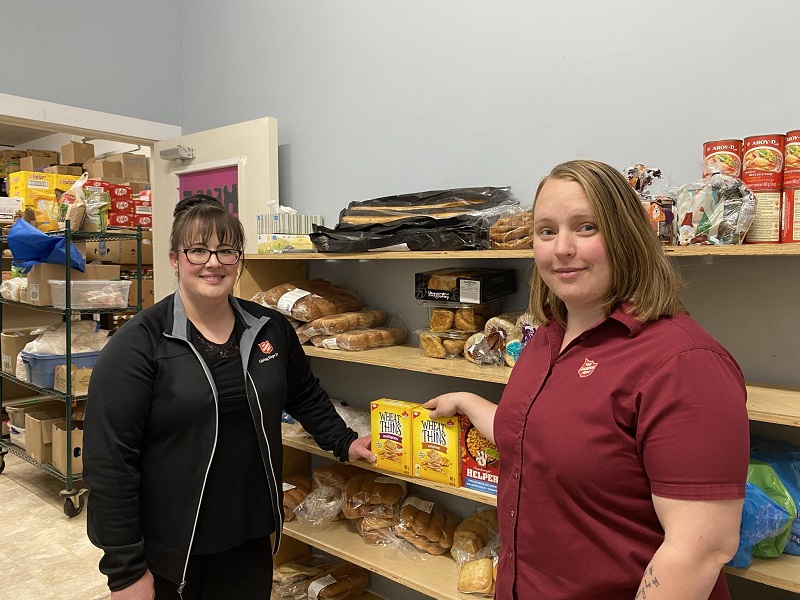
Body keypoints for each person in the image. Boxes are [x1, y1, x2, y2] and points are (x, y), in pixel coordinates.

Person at [425, 160, 749, 599]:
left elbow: (702, 549)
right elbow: (535, 435)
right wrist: (465, 399)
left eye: (586, 227)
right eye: (546, 231)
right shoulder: (545, 338)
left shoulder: (684, 363)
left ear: (625, 236)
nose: (561, 248)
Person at [83, 194, 375, 599]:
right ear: (174, 258)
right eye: (198, 250)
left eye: (226, 250)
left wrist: (343, 441)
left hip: (250, 533)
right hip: (173, 547)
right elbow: (109, 462)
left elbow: (303, 393)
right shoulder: (140, 344)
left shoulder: (269, 328)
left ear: (239, 259)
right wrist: (125, 571)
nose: (213, 262)